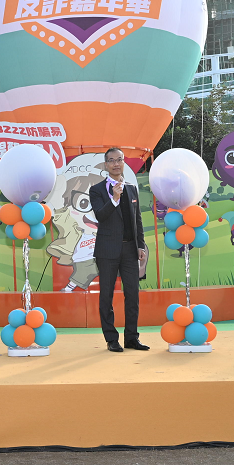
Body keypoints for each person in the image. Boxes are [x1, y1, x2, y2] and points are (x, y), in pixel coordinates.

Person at [88, 148, 150, 352]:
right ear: (106, 165)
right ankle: (111, 338)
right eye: (111, 160)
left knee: (132, 294)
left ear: (123, 163)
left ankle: (132, 337)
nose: (116, 164)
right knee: (106, 295)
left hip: (130, 251)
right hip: (107, 251)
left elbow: (137, 220)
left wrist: (140, 245)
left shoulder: (132, 189)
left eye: (119, 160)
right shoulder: (97, 190)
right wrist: (114, 198)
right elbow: (100, 215)